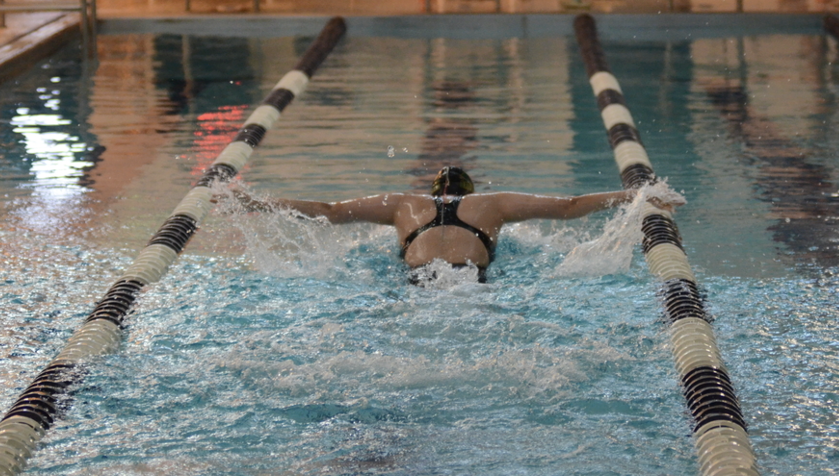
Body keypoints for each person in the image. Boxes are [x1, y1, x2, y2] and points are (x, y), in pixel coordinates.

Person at [226, 166, 679, 284]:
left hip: (416, 282)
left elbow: (325, 210)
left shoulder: (401, 203)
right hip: (469, 282)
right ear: (468, 189)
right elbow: (569, 206)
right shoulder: (492, 204)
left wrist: (254, 202)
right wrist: (638, 196)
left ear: (433, 190)